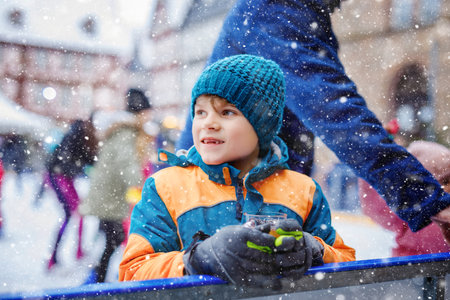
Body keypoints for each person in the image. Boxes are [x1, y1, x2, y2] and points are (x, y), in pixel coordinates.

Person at [176, 0, 450, 239]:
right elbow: (335, 112)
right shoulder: (276, 10)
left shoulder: (300, 13)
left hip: (249, 207)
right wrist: (425, 198)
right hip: (212, 208)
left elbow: (313, 119)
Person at [119, 55, 355, 286]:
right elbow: (133, 272)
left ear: (262, 124)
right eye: (200, 112)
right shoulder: (165, 187)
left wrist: (315, 251)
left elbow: (348, 266)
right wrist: (197, 259)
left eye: (227, 112)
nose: (208, 123)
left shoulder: (303, 191)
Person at [80, 88, 152, 284]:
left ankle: (99, 276)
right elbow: (126, 163)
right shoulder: (127, 133)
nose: (147, 118)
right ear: (139, 113)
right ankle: (99, 278)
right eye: (146, 113)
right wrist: (139, 186)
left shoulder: (123, 129)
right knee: (115, 239)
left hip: (109, 194)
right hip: (110, 196)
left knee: (112, 240)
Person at [360, 141, 450, 256]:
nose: (448, 187)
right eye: (444, 181)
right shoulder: (411, 208)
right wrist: (370, 176)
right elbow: (375, 207)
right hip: (408, 264)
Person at [46, 119, 98, 270]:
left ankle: (78, 251)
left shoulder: (82, 137)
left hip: (63, 176)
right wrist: (83, 167)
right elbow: (66, 161)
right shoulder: (77, 136)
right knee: (70, 214)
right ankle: (54, 257)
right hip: (58, 176)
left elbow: (88, 159)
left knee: (79, 212)